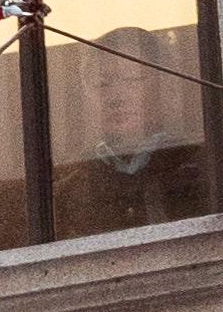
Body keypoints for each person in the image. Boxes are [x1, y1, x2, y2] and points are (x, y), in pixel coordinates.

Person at [51, 27, 209, 236]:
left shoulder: (203, 166)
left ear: (169, 86)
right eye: (101, 84)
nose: (116, 97)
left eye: (133, 79)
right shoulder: (70, 190)